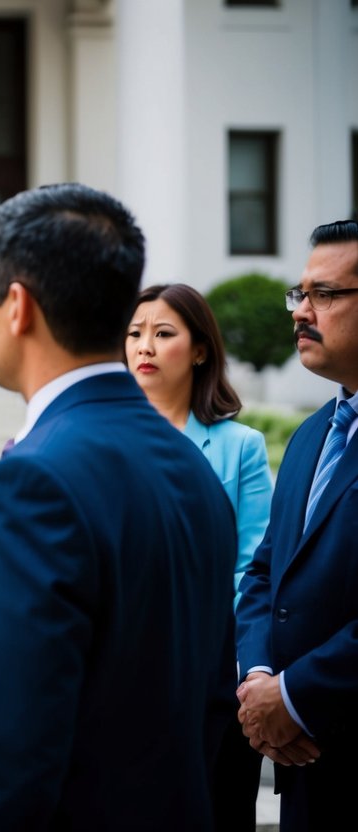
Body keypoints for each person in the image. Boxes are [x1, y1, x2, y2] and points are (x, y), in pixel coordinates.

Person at [0, 183, 237, 830]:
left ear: (15, 306)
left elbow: (6, 758)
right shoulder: (194, 468)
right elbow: (211, 706)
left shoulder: (32, 483)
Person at [126, 282, 274, 831]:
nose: (144, 346)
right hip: (125, 673)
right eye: (135, 333)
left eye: (163, 333)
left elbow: (253, 564)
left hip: (214, 675)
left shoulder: (242, 446)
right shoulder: (103, 440)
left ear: (201, 348)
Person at [235, 218, 358, 831]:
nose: (301, 312)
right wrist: (259, 679)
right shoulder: (312, 435)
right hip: (303, 768)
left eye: (326, 295)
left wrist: (294, 696)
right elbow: (265, 571)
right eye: (299, 294)